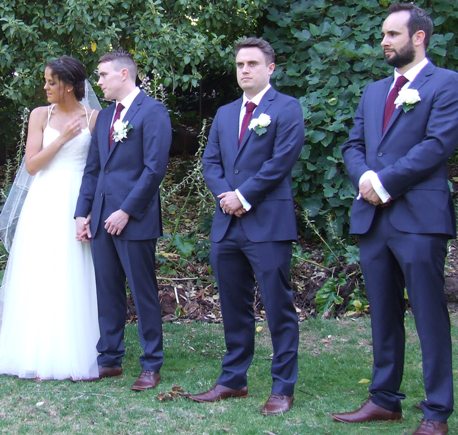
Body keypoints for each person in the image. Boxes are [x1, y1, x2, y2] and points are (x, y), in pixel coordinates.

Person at [331, 3, 458, 434]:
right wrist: (364, 176)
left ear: (418, 37)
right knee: (382, 313)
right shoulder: (372, 92)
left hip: (420, 219)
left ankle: (437, 411)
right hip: (373, 219)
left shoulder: (447, 84)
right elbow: (351, 143)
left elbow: (438, 144)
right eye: (383, 35)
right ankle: (384, 399)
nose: (384, 41)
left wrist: (383, 181)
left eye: (392, 34)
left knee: (429, 316)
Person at [188, 37, 304, 415]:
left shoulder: (286, 108)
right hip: (227, 224)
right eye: (240, 65)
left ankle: (283, 387)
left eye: (252, 64)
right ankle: (233, 379)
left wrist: (244, 195)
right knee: (233, 306)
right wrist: (226, 195)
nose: (245, 70)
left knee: (278, 306)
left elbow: (281, 161)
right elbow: (211, 162)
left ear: (270, 68)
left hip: (267, 223)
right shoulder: (224, 113)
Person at [75, 50, 172, 391]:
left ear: (124, 74)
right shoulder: (103, 118)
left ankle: (151, 363)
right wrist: (81, 212)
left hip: (135, 218)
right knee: (107, 291)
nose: (98, 81)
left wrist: (127, 210)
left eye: (103, 75)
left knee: (143, 291)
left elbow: (154, 169)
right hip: (101, 216)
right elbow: (93, 170)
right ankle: (110, 358)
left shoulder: (154, 112)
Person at [0, 56, 100, 380]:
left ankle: (72, 350)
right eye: (45, 81)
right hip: (44, 200)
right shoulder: (40, 115)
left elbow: (97, 167)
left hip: (75, 201)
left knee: (71, 270)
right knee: (39, 270)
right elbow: (31, 165)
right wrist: (61, 139)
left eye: (50, 82)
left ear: (68, 86)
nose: (45, 87)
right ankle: (30, 349)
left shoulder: (93, 117)